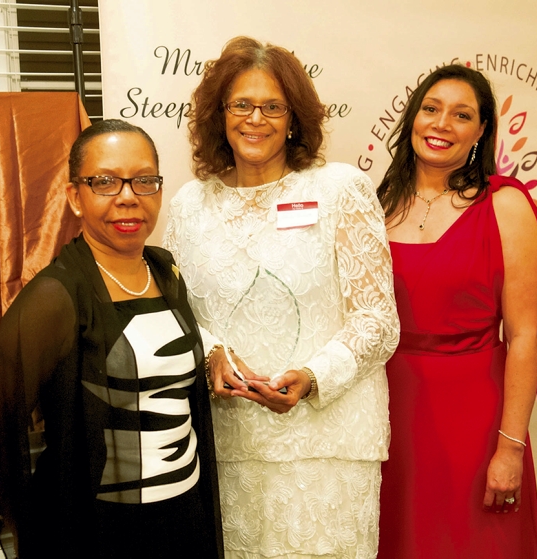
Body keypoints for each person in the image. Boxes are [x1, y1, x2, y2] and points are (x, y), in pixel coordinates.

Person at [163, 36, 399, 559]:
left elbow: (378, 320)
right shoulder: (188, 206)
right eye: (241, 105)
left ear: (294, 119)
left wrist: (314, 376)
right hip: (227, 448)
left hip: (328, 448)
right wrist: (211, 353)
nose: (256, 119)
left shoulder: (340, 190)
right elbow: (175, 314)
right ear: (220, 115)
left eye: (273, 106)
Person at [0, 119, 224, 559]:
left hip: (186, 517)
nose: (128, 197)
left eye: (143, 180)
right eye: (105, 182)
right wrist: (32, 527)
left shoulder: (165, 271)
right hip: (101, 532)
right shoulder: (55, 296)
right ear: (75, 197)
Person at [375, 64, 537, 558]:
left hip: (474, 420)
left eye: (461, 115)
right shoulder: (377, 204)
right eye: (431, 109)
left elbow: (524, 337)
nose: (441, 124)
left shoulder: (505, 206)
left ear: (482, 130)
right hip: (386, 412)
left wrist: (510, 447)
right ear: (413, 118)